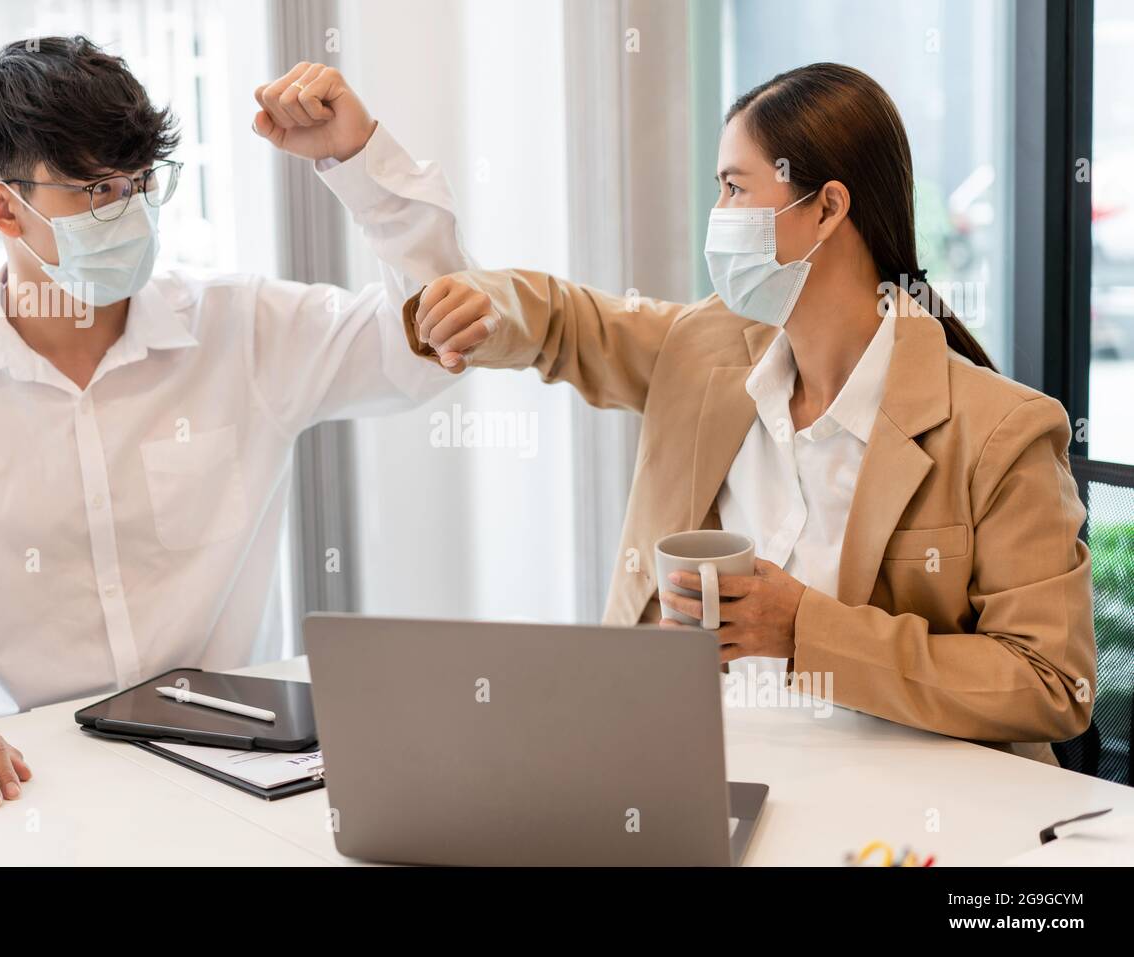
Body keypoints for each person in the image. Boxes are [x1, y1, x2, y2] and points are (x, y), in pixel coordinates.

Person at [0, 36, 473, 808]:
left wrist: (360, 163)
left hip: (240, 768)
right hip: (23, 782)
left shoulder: (245, 330)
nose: (131, 211)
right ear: (4, 206)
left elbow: (429, 346)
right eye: (96, 192)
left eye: (141, 183)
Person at [408, 62, 1095, 764]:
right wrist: (487, 306)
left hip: (902, 809)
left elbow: (1051, 682)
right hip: (699, 776)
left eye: (735, 188)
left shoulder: (1002, 430)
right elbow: (569, 324)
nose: (718, 217)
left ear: (827, 209)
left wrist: (805, 628)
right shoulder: (704, 350)